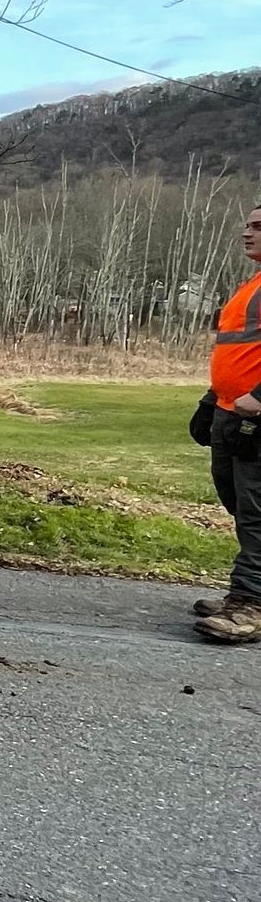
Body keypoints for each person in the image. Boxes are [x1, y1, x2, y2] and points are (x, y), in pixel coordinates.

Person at [193, 203, 261, 643]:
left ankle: (250, 603)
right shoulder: (251, 285)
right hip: (230, 412)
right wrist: (210, 402)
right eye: (248, 224)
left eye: (258, 226)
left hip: (255, 417)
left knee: (257, 512)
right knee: (238, 504)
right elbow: (236, 353)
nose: (246, 232)